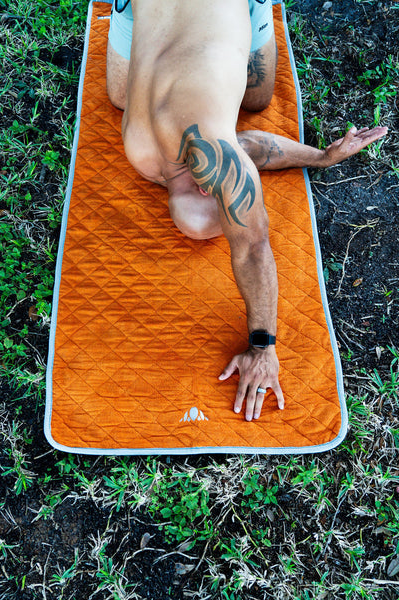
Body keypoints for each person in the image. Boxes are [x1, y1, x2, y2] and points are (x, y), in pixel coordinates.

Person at [106, 0, 387, 421]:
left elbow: (252, 241)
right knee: (126, 97)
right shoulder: (149, 156)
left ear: (202, 185)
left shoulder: (181, 155)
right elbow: (246, 166)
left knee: (256, 100)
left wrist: (264, 347)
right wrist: (318, 157)